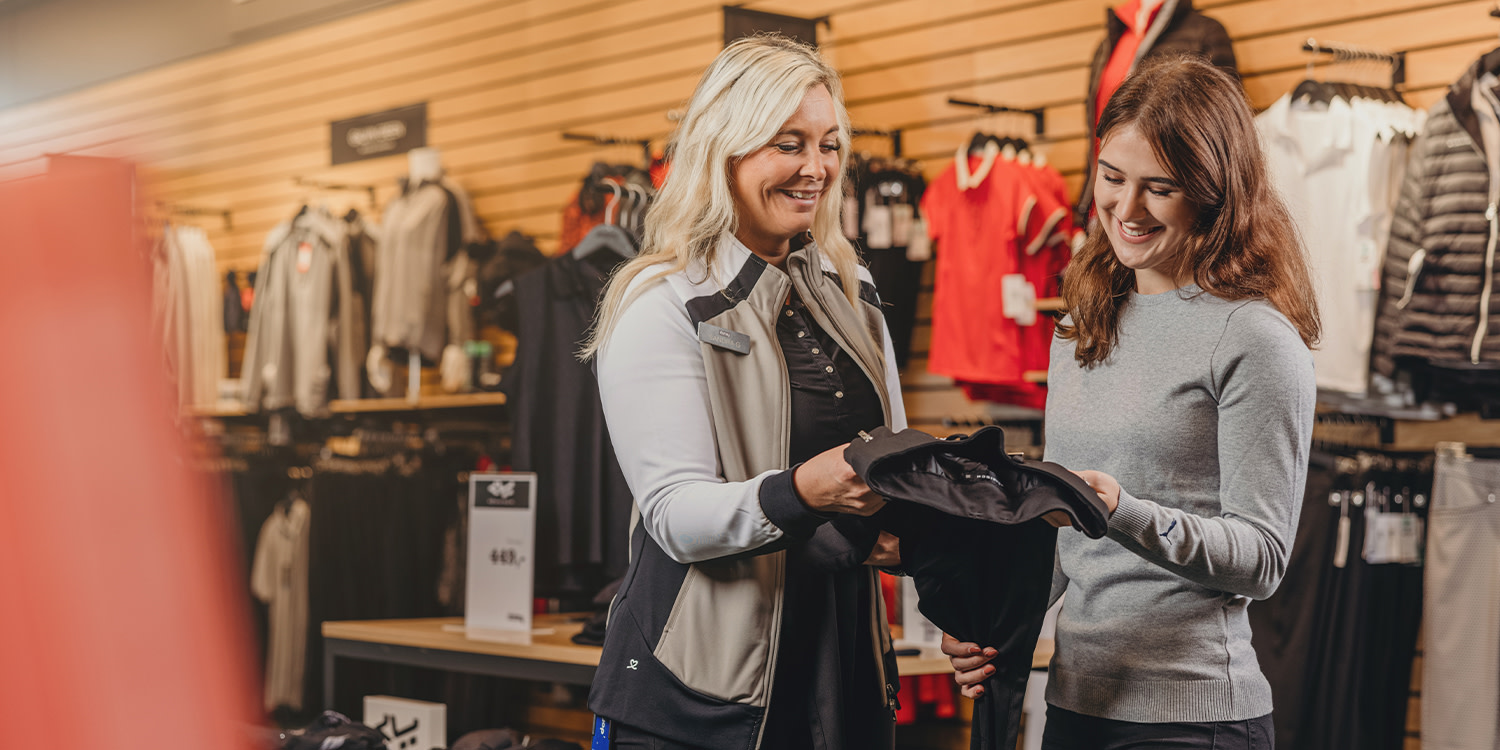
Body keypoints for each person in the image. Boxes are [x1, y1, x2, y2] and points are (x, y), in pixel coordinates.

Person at [943, 56, 1320, 749]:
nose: (1125, 208)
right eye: (1112, 179)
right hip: (1076, 704)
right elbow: (1063, 533)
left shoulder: (1253, 338)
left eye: (1160, 189)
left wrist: (1119, 512)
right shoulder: (1082, 323)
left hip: (1193, 720)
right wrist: (997, 627)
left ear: (1213, 192)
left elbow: (1262, 557)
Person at [580, 35, 906, 750]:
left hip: (841, 669)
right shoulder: (663, 303)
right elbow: (675, 515)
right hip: (695, 694)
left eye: (828, 144)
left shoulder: (855, 292)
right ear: (724, 150)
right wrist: (803, 490)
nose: (815, 168)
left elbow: (892, 472)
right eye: (788, 144)